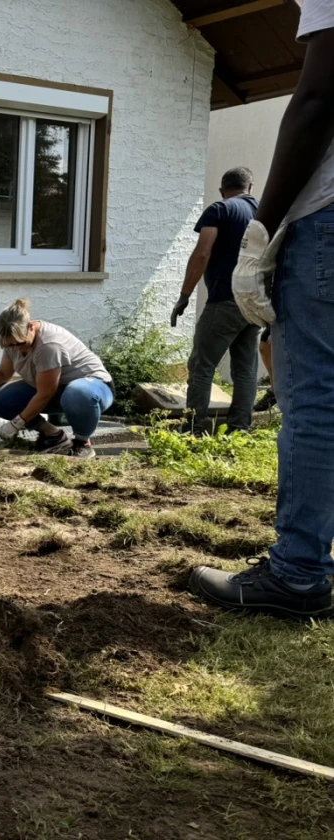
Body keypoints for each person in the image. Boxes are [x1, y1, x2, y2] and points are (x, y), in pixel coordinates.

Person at [190, 0, 334, 618]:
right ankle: (241, 422)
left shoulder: (223, 211)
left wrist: (260, 237)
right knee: (251, 366)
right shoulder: (243, 200)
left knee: (307, 394)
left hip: (279, 259)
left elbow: (317, 97)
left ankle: (298, 574)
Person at [0, 300, 114, 459]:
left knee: (77, 393)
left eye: (20, 343)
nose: (16, 348)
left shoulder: (49, 345)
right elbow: (2, 373)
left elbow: (45, 393)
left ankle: (82, 443)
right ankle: (54, 436)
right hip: (56, 390)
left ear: (31, 327)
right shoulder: (13, 341)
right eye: (10, 345)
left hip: (93, 389)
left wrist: (16, 424)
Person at [170, 167, 260, 433]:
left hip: (225, 300)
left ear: (222, 190)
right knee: (245, 368)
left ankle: (193, 429)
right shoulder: (264, 211)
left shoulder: (220, 209)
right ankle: (240, 428)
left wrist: (184, 295)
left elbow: (202, 253)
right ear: (250, 187)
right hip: (255, 302)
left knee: (202, 365)